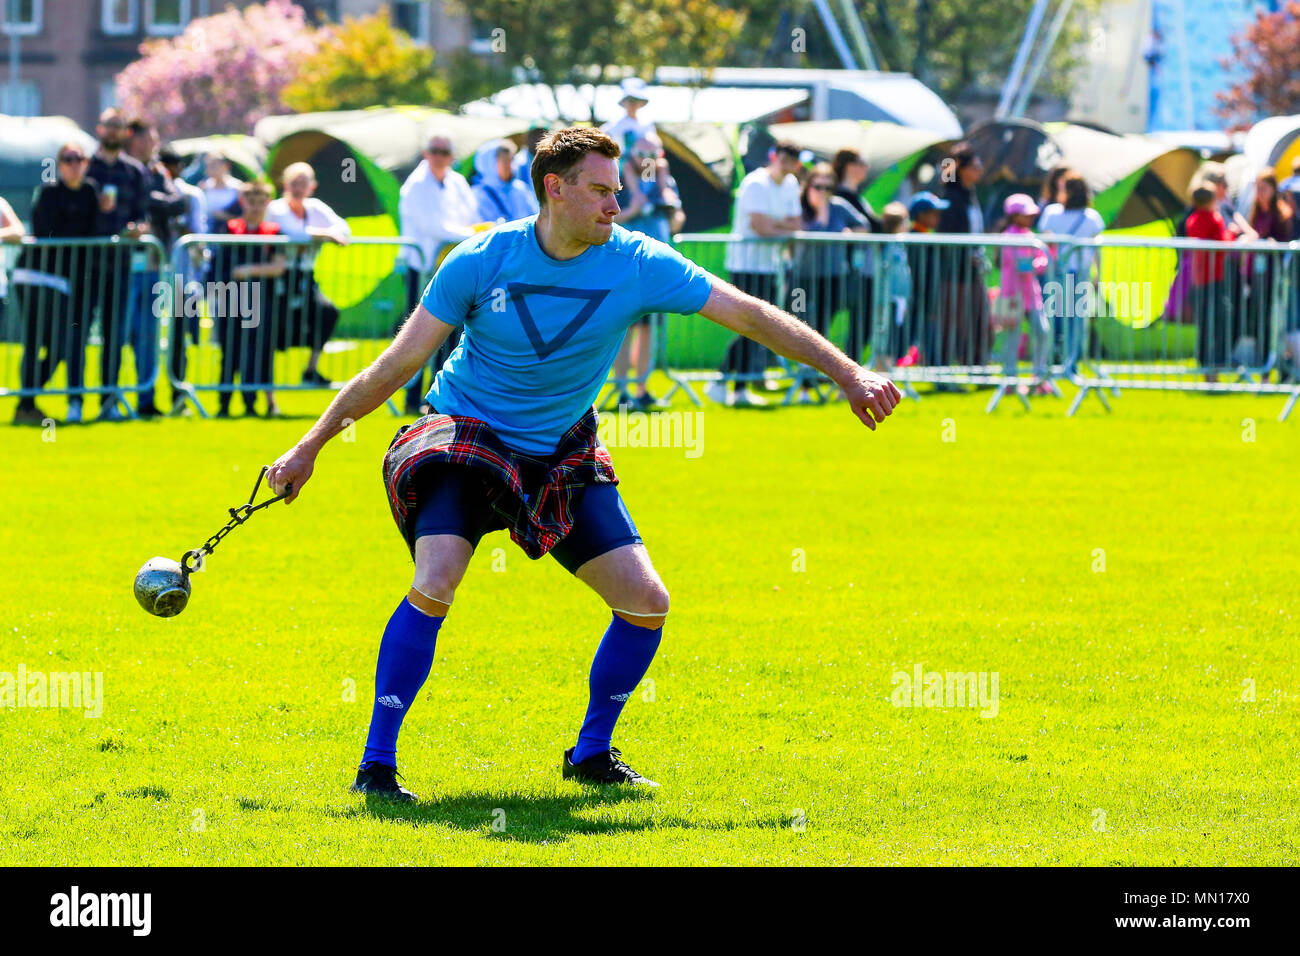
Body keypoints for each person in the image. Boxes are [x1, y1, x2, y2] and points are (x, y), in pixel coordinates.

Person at [265, 127, 901, 799]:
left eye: (617, 192)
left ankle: (591, 752)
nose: (614, 207)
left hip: (560, 448)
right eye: (600, 192)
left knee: (646, 600)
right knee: (439, 576)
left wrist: (847, 372)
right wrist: (309, 445)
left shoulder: (637, 261)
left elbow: (749, 315)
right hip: (466, 437)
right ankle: (377, 765)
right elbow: (396, 366)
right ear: (554, 188)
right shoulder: (480, 259)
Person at [706, 140, 803, 407]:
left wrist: (776, 226)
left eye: (792, 160)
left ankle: (731, 383)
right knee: (751, 325)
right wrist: (782, 228)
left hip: (770, 265)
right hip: (746, 264)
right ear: (774, 157)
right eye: (783, 158)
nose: (787, 165)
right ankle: (729, 383)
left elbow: (795, 222)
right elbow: (760, 227)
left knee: (758, 326)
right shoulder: (756, 183)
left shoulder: (792, 184)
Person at [11, 157, 102, 426]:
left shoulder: (90, 192)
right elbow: (46, 231)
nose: (75, 165)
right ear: (60, 164)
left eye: (80, 159)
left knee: (59, 346)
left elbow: (92, 230)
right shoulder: (49, 191)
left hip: (61, 280)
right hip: (35, 276)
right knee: (35, 340)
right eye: (68, 160)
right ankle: (25, 403)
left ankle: (25, 401)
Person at [397, 131, 481, 414]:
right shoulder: (416, 186)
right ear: (425, 153)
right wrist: (471, 234)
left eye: (444, 152)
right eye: (434, 150)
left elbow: (469, 216)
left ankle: (434, 398)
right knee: (417, 337)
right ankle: (410, 398)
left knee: (449, 334)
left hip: (449, 267)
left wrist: (471, 231)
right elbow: (433, 226)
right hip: (421, 267)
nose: (439, 157)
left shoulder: (457, 183)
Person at [610, 138, 685, 410]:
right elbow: (608, 217)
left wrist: (669, 207)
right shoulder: (617, 181)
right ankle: (621, 390)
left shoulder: (664, 181)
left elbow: (678, 219)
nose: (649, 160)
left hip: (656, 269)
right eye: (644, 154)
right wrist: (635, 208)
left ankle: (641, 389)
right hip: (626, 266)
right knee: (625, 328)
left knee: (648, 329)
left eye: (654, 154)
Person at [87, 108, 151, 422]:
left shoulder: (135, 171)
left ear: (126, 132)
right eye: (108, 125)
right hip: (85, 264)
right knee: (77, 332)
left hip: (121, 263)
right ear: (100, 129)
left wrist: (137, 228)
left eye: (118, 126)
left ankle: (107, 401)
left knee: (114, 336)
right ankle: (72, 402)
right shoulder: (85, 167)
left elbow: (143, 213)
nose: (112, 131)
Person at [265, 162, 350, 388]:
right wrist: (323, 235)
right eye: (294, 182)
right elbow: (288, 233)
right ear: (285, 184)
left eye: (304, 182)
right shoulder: (275, 208)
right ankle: (265, 382)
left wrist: (326, 234)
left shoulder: (315, 207)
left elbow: (343, 229)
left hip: (305, 276)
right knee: (272, 325)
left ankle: (311, 368)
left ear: (312, 186)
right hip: (279, 277)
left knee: (328, 312)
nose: (298, 187)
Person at [126, 118, 189, 418]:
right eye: (150, 137)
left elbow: (178, 202)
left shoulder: (156, 171)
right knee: (122, 333)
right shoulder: (123, 169)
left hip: (153, 265)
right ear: (134, 138)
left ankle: (145, 399)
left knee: (148, 335)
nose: (153, 143)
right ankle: (109, 399)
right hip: (123, 266)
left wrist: (148, 200)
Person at [790, 162, 868, 402]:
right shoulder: (799, 207)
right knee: (802, 329)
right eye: (818, 186)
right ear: (808, 186)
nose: (823, 192)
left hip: (833, 278)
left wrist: (851, 234)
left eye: (828, 187)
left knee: (821, 329)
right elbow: (811, 231)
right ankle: (804, 386)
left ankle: (837, 381)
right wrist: (820, 211)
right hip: (803, 279)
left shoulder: (840, 206)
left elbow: (864, 227)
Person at [212, 180, 286, 417]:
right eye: (251, 202)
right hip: (230, 298)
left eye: (260, 202)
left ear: (268, 203)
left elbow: (278, 266)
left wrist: (249, 270)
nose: (255, 207)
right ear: (242, 202)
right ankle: (223, 403)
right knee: (229, 350)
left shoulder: (274, 231)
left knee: (256, 351)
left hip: (262, 301)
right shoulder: (229, 228)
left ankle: (251, 403)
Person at [158, 144, 209, 415]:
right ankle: (146, 399)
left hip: (182, 278)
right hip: (153, 274)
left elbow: (200, 237)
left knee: (179, 338)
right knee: (144, 337)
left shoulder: (191, 195)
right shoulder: (151, 190)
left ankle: (177, 396)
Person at [1185, 185, 1255, 379]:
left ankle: (1206, 368)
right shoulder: (1214, 219)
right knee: (1223, 322)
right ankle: (1215, 365)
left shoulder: (1191, 220)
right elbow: (1222, 245)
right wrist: (1233, 233)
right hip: (1215, 278)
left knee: (1205, 325)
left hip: (1198, 279)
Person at [1037, 172, 1104, 375]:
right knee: (1075, 320)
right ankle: (1070, 362)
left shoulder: (1051, 213)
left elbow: (1044, 239)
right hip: (1079, 273)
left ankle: (1051, 361)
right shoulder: (1091, 217)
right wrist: (1098, 275)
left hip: (1055, 272)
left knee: (1054, 318)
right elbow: (1097, 251)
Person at [936, 142, 991, 372]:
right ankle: (945, 372)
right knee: (954, 324)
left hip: (972, 270)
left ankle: (978, 369)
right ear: (962, 168)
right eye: (975, 165)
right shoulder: (951, 197)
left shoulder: (970, 195)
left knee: (980, 320)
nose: (980, 170)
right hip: (955, 274)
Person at [995, 194, 1052, 394]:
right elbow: (1024, 265)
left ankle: (1040, 378)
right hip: (1012, 295)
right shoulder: (1008, 237)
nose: (1029, 218)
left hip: (1031, 294)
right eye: (1025, 214)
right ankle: (1010, 380)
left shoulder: (1030, 236)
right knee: (1013, 338)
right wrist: (1041, 261)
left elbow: (1040, 260)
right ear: (1014, 215)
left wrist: (1041, 261)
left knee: (1042, 331)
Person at [831, 147, 881, 365]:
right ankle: (838, 370)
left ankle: (848, 370)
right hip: (845, 270)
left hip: (862, 270)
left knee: (863, 323)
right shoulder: (839, 198)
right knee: (824, 320)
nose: (866, 169)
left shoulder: (858, 197)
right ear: (848, 166)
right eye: (861, 163)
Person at [1244, 168, 1292, 372]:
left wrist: (1272, 243)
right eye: (1258, 188)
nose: (1260, 192)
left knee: (1274, 322)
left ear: (1273, 189)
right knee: (1257, 319)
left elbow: (1285, 242)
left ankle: (1277, 364)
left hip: (1275, 277)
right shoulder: (1256, 212)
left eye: (1264, 188)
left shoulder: (1281, 214)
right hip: (1256, 275)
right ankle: (1260, 363)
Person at [903, 191, 950, 370]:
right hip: (918, 298)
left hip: (928, 299)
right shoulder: (914, 238)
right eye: (933, 213)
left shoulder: (926, 236)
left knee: (930, 338)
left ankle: (936, 373)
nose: (937, 217)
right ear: (921, 215)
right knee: (907, 338)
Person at [877, 202, 912, 371]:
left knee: (895, 339)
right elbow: (884, 275)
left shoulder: (901, 244)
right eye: (905, 222)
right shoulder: (889, 247)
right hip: (889, 299)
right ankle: (883, 375)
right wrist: (883, 300)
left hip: (899, 299)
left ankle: (890, 375)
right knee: (887, 339)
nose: (908, 225)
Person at [472, 139, 539, 223]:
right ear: (490, 165)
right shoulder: (479, 195)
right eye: (506, 162)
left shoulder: (520, 189)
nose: (512, 166)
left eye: (512, 160)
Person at [601, 77, 661, 156]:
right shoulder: (615, 124)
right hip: (624, 163)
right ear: (623, 102)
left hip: (644, 162)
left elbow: (655, 142)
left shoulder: (646, 123)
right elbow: (602, 136)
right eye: (630, 100)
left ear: (642, 103)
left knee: (662, 165)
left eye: (636, 100)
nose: (633, 104)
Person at [200, 152, 243, 233]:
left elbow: (243, 215)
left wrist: (223, 216)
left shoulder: (238, 188)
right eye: (208, 165)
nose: (210, 169)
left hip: (230, 233)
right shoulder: (204, 187)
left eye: (214, 165)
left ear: (226, 166)